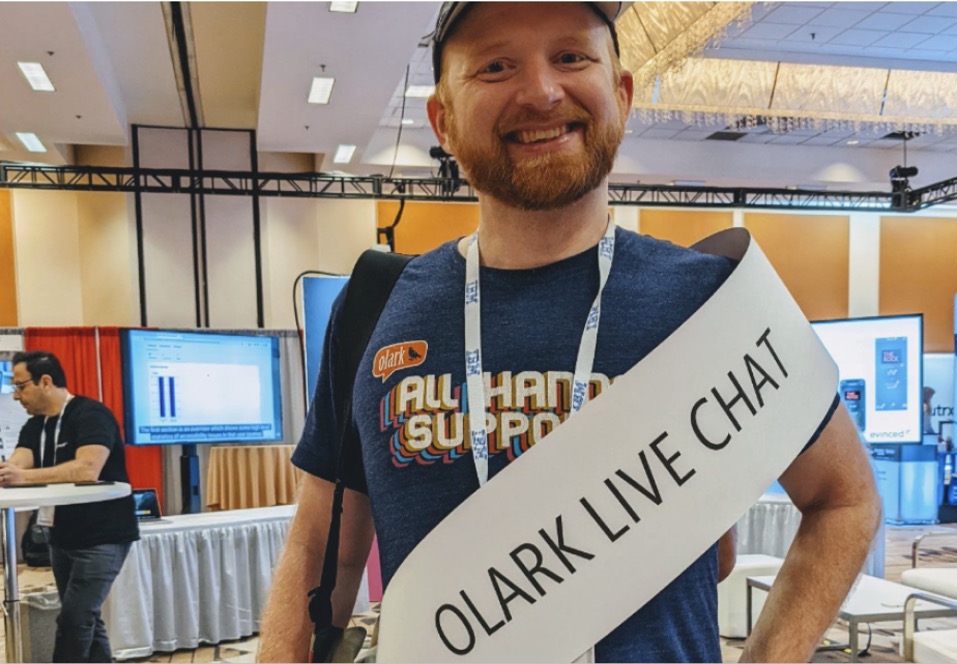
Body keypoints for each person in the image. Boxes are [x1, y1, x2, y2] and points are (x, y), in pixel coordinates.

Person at [258, 3, 881, 662]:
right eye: (496, 65)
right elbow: (318, 549)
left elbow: (845, 499)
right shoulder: (375, 307)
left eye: (571, 56)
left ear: (621, 92)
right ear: (441, 119)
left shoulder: (711, 300)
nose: (542, 91)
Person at [0, 351, 139, 663]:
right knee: (86, 618)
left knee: (75, 619)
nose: (16, 396)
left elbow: (87, 470)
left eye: (21, 387)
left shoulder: (91, 414)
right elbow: (18, 464)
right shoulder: (34, 427)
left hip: (103, 535)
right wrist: (8, 472)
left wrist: (22, 476)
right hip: (61, 536)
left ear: (45, 382)